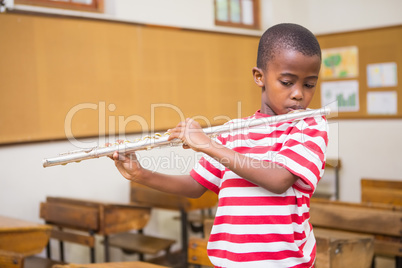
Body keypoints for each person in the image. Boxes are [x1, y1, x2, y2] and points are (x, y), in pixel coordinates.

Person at [112, 23, 328, 268]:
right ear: (260, 77)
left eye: (309, 85)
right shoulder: (233, 130)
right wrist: (141, 174)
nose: (299, 94)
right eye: (287, 82)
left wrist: (208, 145)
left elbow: (279, 180)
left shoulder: (309, 124)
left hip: (286, 263)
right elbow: (195, 186)